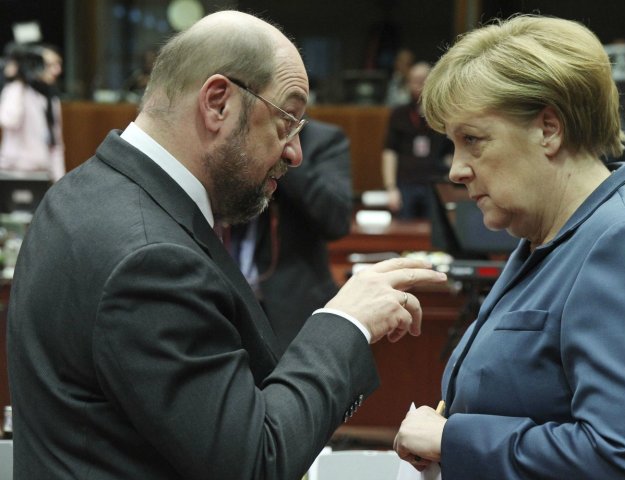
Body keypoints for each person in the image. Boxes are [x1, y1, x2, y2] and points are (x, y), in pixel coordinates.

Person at [7, 11, 447, 480]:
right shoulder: (151, 258)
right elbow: (257, 462)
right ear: (218, 103)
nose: (296, 152)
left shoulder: (83, 189)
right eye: (287, 119)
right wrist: (347, 322)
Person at [393, 15, 625, 479]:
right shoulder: (544, 240)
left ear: (548, 129)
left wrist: (452, 439)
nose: (457, 170)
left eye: (472, 141)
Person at [228, 119, 353, 351]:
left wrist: (283, 155)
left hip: (292, 306)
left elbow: (336, 222)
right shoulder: (233, 132)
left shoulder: (323, 139)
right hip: (228, 301)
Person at [382, 61, 451, 219]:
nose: (419, 85)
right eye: (415, 80)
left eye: (423, 79)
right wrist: (390, 188)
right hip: (406, 182)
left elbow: (451, 152)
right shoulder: (399, 114)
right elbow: (390, 152)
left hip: (435, 182)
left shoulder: (443, 113)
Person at [0, 43, 65, 181]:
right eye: (49, 65)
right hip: (14, 172)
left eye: (58, 64)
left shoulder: (50, 99)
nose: (56, 70)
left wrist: (59, 180)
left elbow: (56, 143)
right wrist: (19, 82)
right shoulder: (16, 90)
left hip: (42, 173)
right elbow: (9, 121)